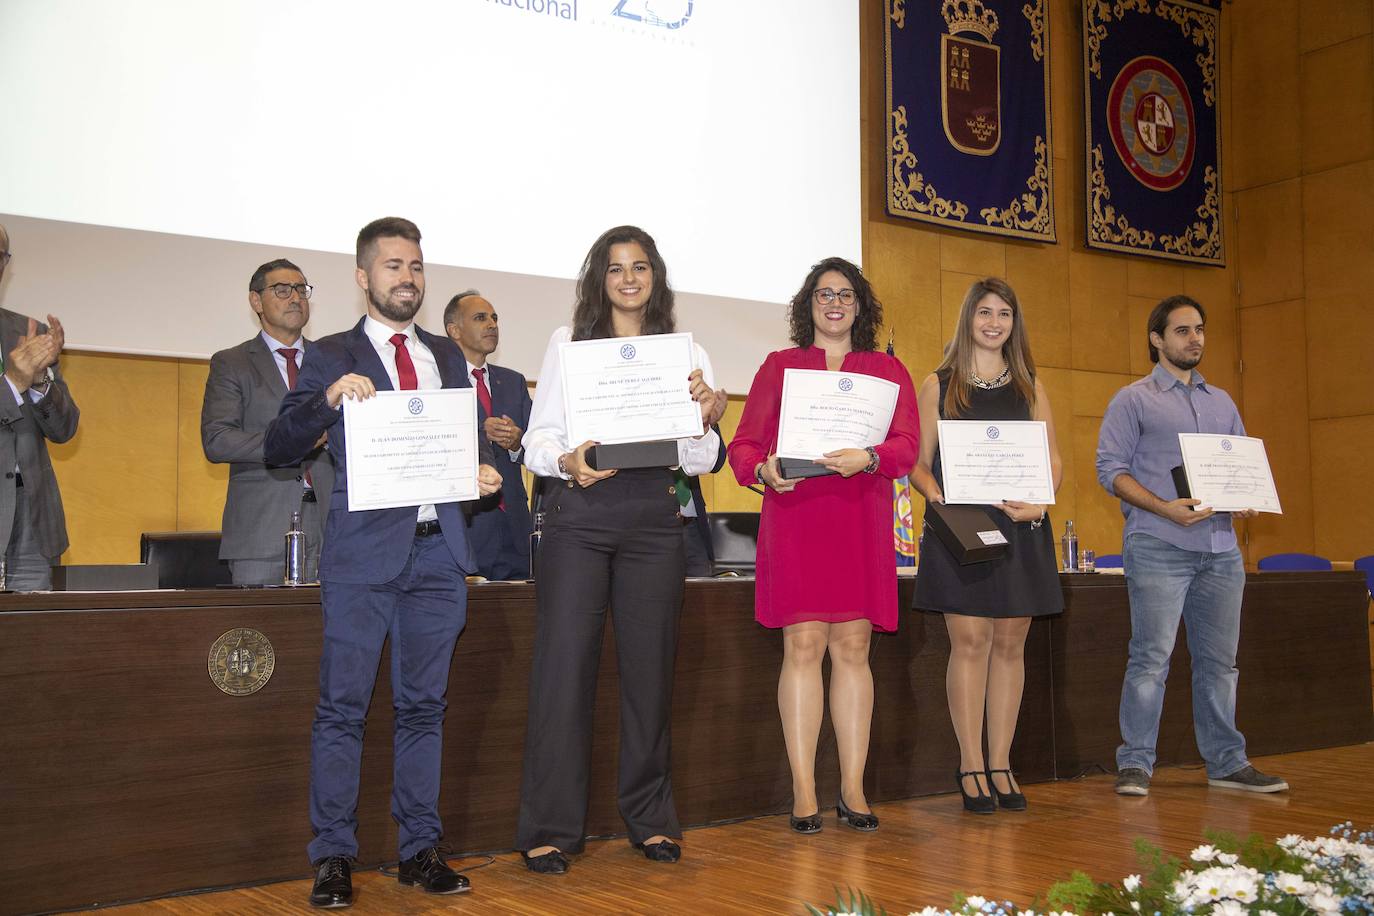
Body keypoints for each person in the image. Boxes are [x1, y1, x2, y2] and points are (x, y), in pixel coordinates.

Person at [264, 218, 502, 908]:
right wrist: (327, 399)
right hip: (363, 560)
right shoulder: (331, 352)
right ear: (365, 277)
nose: (408, 277)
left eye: (417, 266)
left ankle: (419, 848)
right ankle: (333, 855)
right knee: (342, 710)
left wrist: (479, 473)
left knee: (424, 708)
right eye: (394, 265)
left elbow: (456, 448)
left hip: (438, 557)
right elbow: (281, 443)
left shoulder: (446, 357)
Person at [515, 225, 721, 874]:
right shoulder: (568, 342)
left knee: (650, 673)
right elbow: (535, 441)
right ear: (597, 280)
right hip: (578, 515)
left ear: (655, 275)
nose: (628, 278)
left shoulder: (687, 353)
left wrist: (706, 419)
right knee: (563, 672)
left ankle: (652, 818)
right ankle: (550, 826)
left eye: (639, 266)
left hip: (655, 518)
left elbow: (704, 458)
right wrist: (566, 459)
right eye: (614, 268)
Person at [727, 256, 918, 834]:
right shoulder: (779, 367)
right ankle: (804, 791)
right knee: (804, 648)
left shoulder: (887, 370)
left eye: (846, 295)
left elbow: (908, 445)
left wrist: (873, 457)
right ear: (807, 306)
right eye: (822, 294)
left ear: (860, 306)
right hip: (798, 515)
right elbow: (744, 447)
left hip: (859, 516)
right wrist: (763, 471)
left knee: (854, 650)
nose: (834, 303)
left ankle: (853, 789)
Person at [1096, 294, 1287, 798]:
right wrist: (1164, 507)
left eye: (1199, 329)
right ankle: (1135, 764)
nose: (1194, 338)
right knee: (1151, 659)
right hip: (1158, 544)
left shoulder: (1222, 401)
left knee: (1221, 664)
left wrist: (1244, 498)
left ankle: (1227, 762)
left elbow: (1240, 463)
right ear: (1157, 339)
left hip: (1221, 549)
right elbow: (1110, 471)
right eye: (1182, 330)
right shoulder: (1132, 399)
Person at [909, 278, 1063, 814]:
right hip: (963, 532)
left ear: (1014, 323)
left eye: (1004, 314)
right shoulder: (940, 382)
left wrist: (1042, 502)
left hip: (1022, 531)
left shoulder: (1030, 385)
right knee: (969, 642)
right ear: (968, 319)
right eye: (984, 312)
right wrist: (938, 495)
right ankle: (971, 761)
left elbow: (1053, 461)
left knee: (1010, 646)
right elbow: (916, 464)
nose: (994, 322)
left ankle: (1002, 762)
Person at [201, 259, 335, 585]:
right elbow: (217, 439)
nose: (296, 298)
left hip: (330, 522)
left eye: (302, 290)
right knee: (261, 631)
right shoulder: (232, 362)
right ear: (256, 301)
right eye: (282, 290)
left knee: (328, 631)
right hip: (260, 528)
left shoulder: (333, 362)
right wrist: (290, 439)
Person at [0, 223, 80, 592]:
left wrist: (38, 382)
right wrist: (14, 383)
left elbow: (65, 430)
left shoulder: (25, 331)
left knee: (32, 640)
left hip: (32, 516)